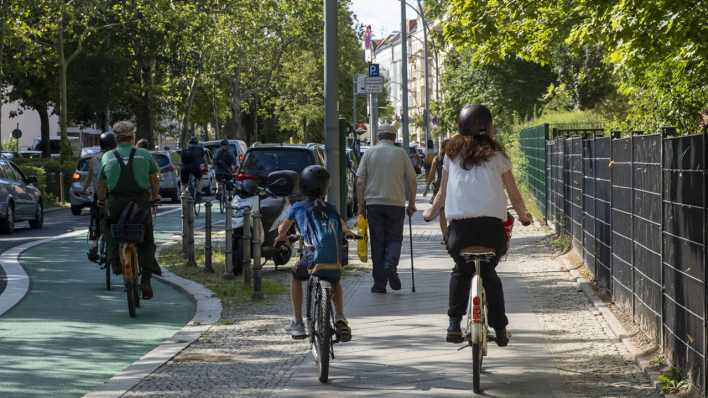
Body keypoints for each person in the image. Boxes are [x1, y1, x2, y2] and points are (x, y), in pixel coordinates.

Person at [424, 104, 532, 346]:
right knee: (489, 274)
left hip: (459, 233)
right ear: (488, 127)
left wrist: (430, 212)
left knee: (461, 271)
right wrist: (524, 215)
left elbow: (442, 193)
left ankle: (453, 324)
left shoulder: (451, 157)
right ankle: (500, 329)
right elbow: (514, 194)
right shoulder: (498, 157)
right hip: (491, 232)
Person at [275, 165, 356, 340]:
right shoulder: (331, 208)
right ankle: (340, 316)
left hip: (312, 260)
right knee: (335, 281)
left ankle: (298, 322)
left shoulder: (298, 207)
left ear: (303, 186)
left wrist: (281, 237)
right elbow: (343, 227)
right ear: (326, 188)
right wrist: (348, 232)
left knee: (296, 276)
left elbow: (283, 229)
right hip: (334, 260)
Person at [97, 121, 162, 299]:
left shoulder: (107, 156)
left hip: (116, 204)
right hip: (140, 204)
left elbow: (101, 184)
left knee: (108, 226)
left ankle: (114, 260)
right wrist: (155, 196)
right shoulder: (144, 154)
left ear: (116, 138)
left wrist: (102, 201)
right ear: (133, 137)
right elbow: (154, 179)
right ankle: (146, 280)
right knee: (147, 238)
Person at [356, 124, 417, 294]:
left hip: (374, 204)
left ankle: (379, 284)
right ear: (394, 137)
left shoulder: (369, 152)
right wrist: (411, 203)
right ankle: (391, 263)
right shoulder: (400, 153)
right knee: (395, 238)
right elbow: (412, 180)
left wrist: (361, 206)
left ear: (378, 137)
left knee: (377, 242)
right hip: (396, 203)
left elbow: (360, 181)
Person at [84, 132, 117, 262]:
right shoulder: (115, 157)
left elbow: (89, 177)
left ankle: (93, 247)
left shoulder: (93, 159)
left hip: (99, 195)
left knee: (95, 220)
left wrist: (83, 188)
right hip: (114, 194)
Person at [424, 139, 450, 241]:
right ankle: (448, 235)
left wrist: (427, 187)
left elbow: (431, 174)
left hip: (440, 186)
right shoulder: (455, 158)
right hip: (451, 187)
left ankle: (445, 236)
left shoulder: (437, 159)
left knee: (442, 212)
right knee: (448, 211)